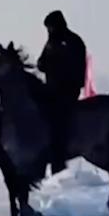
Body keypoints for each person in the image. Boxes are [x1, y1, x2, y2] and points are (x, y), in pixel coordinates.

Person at [37, 10, 87, 174]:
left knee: (58, 119)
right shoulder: (51, 42)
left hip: (67, 89)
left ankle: (59, 155)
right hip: (51, 88)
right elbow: (42, 62)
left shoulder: (73, 41)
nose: (49, 31)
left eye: (51, 27)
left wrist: (56, 66)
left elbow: (75, 67)